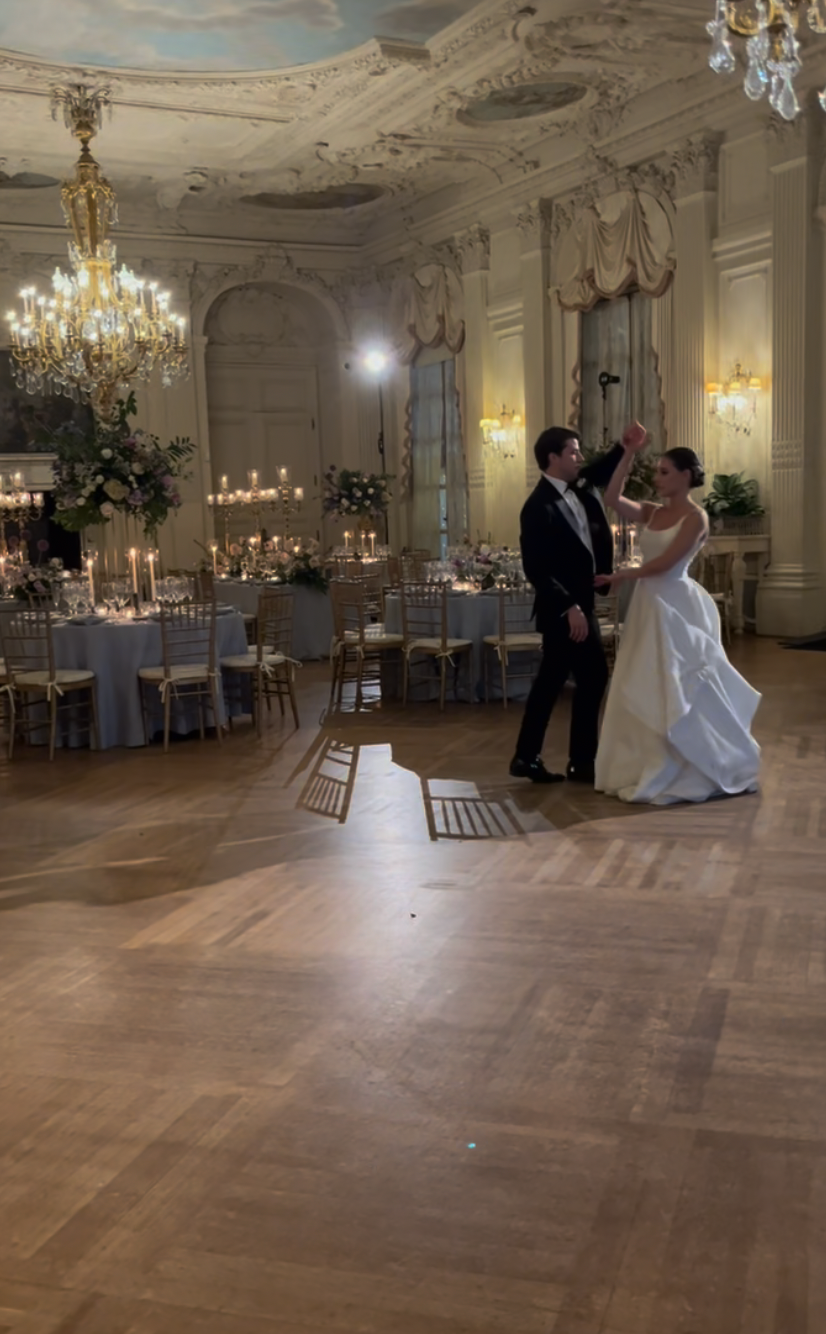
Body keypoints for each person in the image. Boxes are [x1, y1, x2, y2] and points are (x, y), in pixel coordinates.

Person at [593, 442, 761, 805]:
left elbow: (668, 563)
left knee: (678, 684)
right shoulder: (652, 512)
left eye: (664, 472)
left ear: (686, 476)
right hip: (646, 606)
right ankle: (640, 762)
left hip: (675, 605)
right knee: (640, 680)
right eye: (656, 472)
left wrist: (624, 574)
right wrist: (627, 453)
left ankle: (691, 762)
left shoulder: (696, 518)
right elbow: (612, 497)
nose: (657, 479)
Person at [510, 422, 647, 784]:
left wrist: (625, 446)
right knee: (588, 677)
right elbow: (536, 569)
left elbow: (600, 468)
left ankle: (533, 757)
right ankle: (579, 761)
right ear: (552, 458)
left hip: (580, 605)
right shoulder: (537, 506)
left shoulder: (579, 484)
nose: (579, 456)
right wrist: (569, 607)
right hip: (564, 611)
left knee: (555, 681)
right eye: (572, 451)